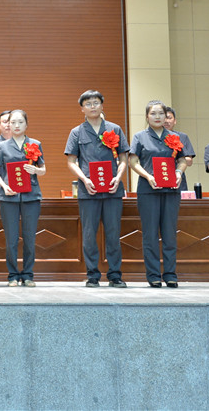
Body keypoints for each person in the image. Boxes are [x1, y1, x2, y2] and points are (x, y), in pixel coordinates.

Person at [65, 90, 129, 288]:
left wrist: (118, 177)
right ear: (82, 109)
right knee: (89, 234)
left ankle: (115, 275)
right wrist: (84, 179)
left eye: (96, 103)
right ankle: (92, 274)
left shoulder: (115, 129)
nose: (92, 106)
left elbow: (124, 158)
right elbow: (71, 161)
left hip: (112, 190)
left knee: (113, 233)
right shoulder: (76, 132)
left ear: (102, 105)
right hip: (88, 191)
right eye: (88, 104)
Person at [129, 100, 187, 288]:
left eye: (161, 113)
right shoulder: (139, 137)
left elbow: (183, 160)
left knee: (170, 233)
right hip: (148, 190)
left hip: (171, 190)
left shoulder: (175, 137)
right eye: (153, 113)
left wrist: (179, 172)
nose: (157, 117)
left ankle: (170, 274)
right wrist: (148, 176)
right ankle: (153, 275)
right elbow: (133, 161)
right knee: (150, 234)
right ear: (147, 116)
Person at [0, 110, 45, 287]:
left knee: (29, 238)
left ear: (26, 124)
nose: (16, 125)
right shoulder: (2, 146)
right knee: (11, 238)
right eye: (12, 122)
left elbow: (43, 169)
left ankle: (28, 275)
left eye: (20, 122)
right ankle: (13, 275)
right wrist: (4, 186)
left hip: (31, 197)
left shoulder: (35, 144)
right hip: (9, 197)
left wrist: (36, 170)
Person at [163, 106, 195, 191]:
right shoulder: (154, 138)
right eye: (164, 118)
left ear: (175, 121)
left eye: (169, 118)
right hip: (160, 176)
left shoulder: (182, 137)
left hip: (178, 177)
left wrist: (175, 158)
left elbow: (189, 161)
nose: (166, 121)